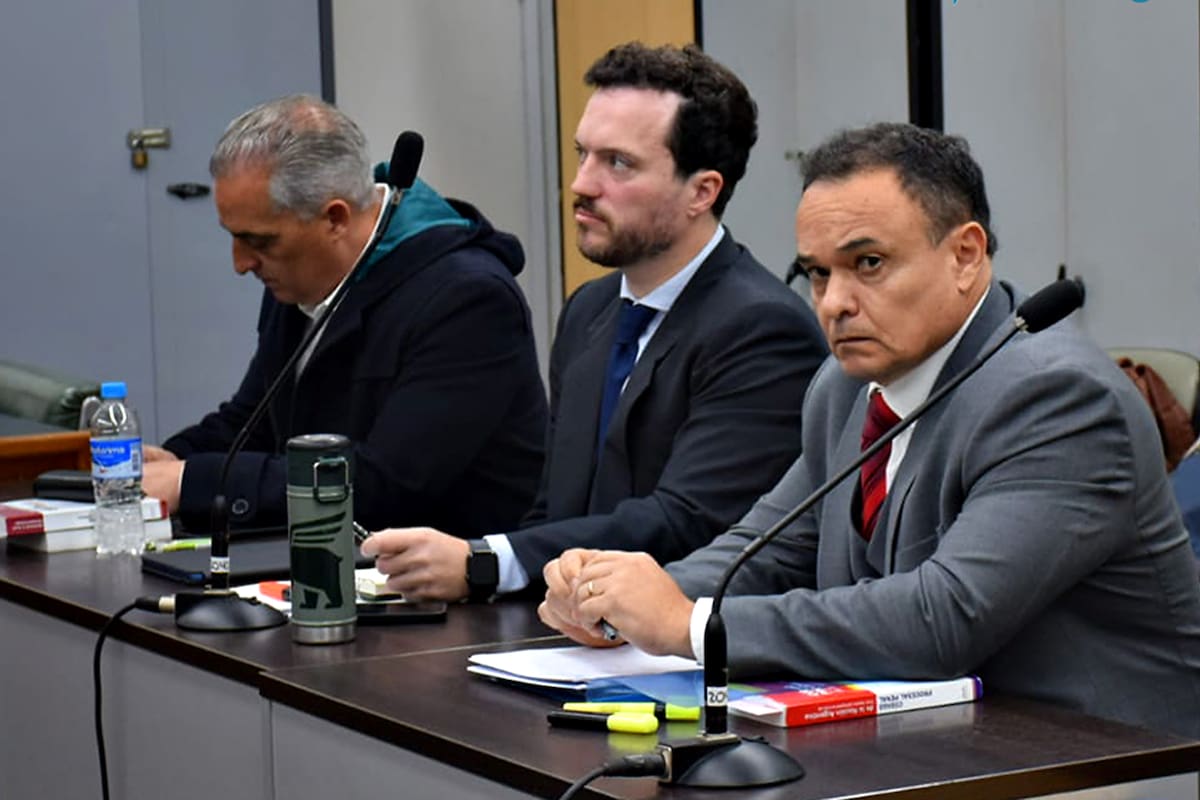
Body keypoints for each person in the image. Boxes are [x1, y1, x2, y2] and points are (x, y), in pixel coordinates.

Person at [538, 122, 1200, 737]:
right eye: (819, 273)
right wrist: (620, 595)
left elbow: (941, 618)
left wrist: (689, 624)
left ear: (966, 255)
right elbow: (767, 548)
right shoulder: (845, 385)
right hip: (929, 739)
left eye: (869, 264)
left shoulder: (1058, 399)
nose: (833, 303)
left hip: (1110, 755)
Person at [362, 43, 827, 603]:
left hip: (681, 651)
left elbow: (687, 521)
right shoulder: (590, 308)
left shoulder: (763, 328)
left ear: (702, 192)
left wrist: (487, 561)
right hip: (568, 631)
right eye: (583, 154)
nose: (582, 184)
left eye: (618, 163)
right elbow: (552, 510)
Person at [142, 95, 547, 536]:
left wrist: (192, 481)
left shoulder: (468, 301)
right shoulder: (300, 275)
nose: (241, 262)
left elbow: (384, 485)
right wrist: (171, 461)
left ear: (334, 219)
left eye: (258, 241)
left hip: (450, 589)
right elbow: (253, 422)